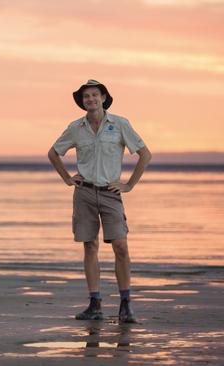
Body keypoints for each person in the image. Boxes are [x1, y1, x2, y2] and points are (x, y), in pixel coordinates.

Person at [47, 79, 152, 323]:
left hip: (110, 193)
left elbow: (145, 154)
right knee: (90, 246)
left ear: (103, 98)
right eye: (86, 97)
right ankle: (94, 304)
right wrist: (66, 178)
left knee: (121, 246)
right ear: (82, 102)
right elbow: (53, 152)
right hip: (84, 192)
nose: (90, 100)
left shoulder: (120, 124)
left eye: (95, 95)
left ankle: (126, 304)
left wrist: (129, 184)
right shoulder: (76, 128)